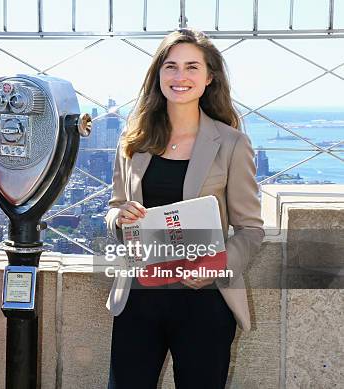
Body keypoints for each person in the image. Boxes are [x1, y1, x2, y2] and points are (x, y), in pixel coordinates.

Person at [105, 28, 264, 389]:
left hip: (203, 298)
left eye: (192, 67)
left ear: (209, 78)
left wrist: (215, 267)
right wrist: (120, 217)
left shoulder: (232, 144)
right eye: (171, 66)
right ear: (158, 75)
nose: (180, 77)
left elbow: (251, 230)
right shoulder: (134, 139)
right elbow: (114, 207)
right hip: (139, 295)